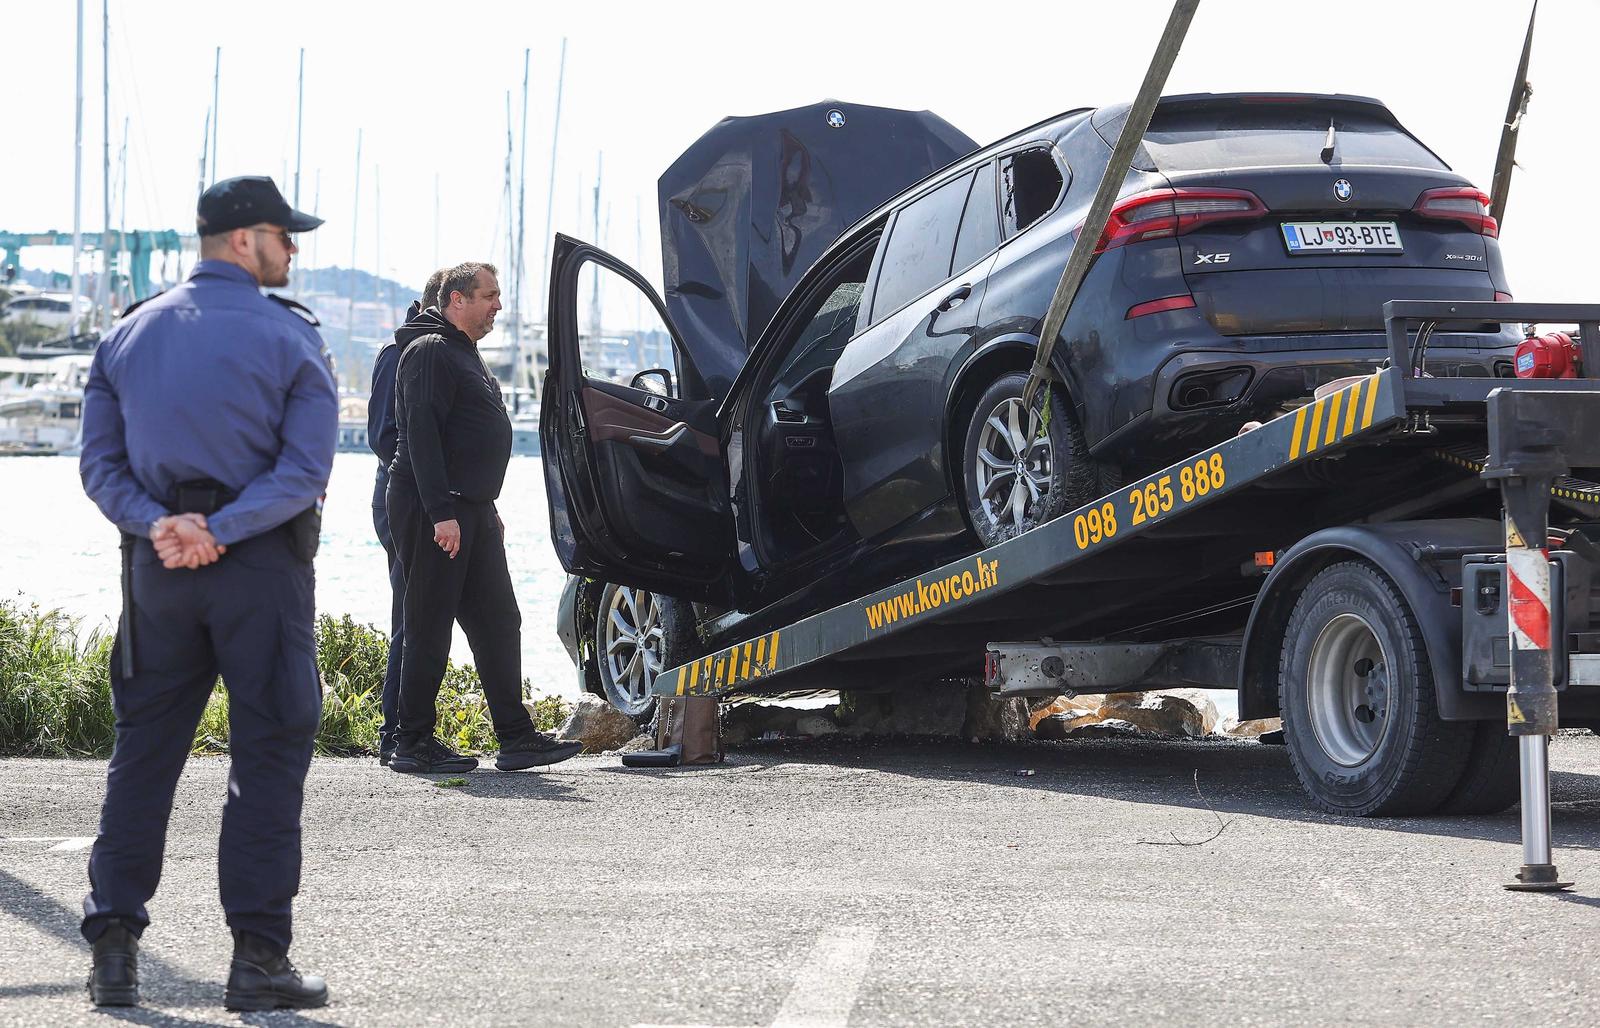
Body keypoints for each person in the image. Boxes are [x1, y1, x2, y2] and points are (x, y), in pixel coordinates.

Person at [77, 175, 336, 1011]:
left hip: (157, 575)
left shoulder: (127, 335)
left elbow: (99, 466)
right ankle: (257, 963)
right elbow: (303, 472)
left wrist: (160, 525)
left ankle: (112, 951)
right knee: (266, 759)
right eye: (282, 235)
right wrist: (219, 531)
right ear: (240, 240)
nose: (292, 249)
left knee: (142, 755)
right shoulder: (292, 340)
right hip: (257, 574)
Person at [386, 261, 581, 774]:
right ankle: (412, 742)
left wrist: (483, 509)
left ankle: (516, 737)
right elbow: (421, 436)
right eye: (489, 295)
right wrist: (441, 513)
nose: (498, 305)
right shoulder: (429, 351)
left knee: (498, 619)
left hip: (470, 508)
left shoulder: (464, 353)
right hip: (435, 508)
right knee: (429, 621)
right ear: (456, 300)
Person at [368, 267, 447, 765]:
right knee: (412, 617)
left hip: (434, 498)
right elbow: (383, 434)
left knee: (423, 616)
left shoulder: (439, 353)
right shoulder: (400, 354)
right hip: (404, 496)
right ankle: (397, 735)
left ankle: (406, 732)